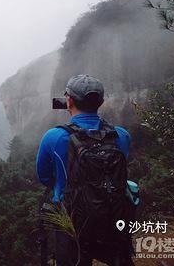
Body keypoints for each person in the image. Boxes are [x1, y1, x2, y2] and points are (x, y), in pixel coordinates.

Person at [36, 74, 134, 266]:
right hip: (113, 217)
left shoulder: (54, 137)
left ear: (69, 101)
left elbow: (44, 177)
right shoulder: (121, 135)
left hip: (70, 222)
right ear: (101, 101)